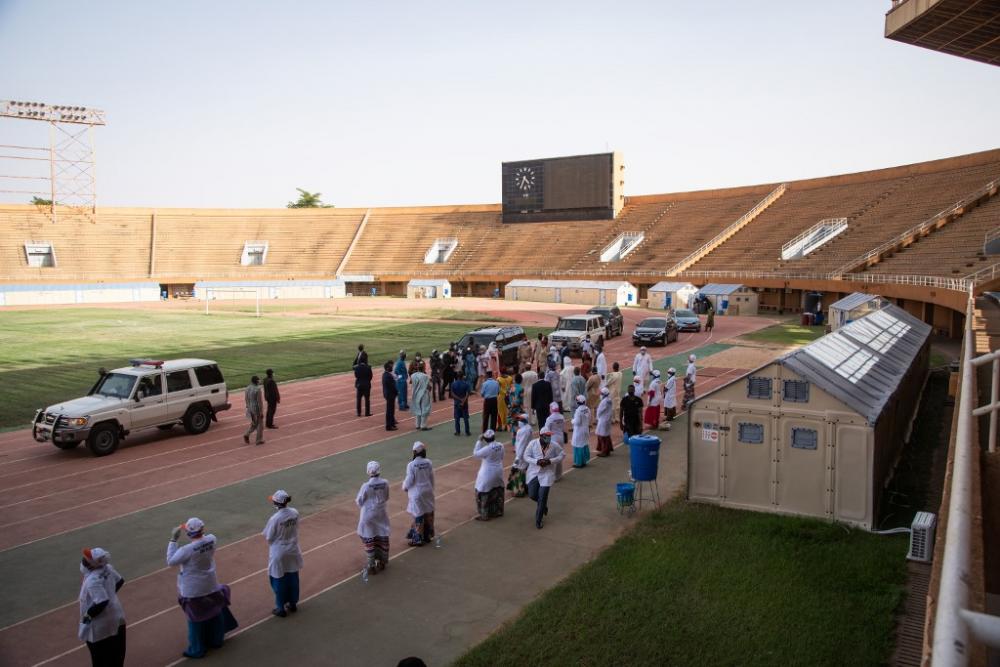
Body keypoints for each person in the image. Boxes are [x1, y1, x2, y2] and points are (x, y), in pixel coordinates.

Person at [167, 518, 238, 659]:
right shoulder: (212, 539)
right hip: (210, 583)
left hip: (193, 589)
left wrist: (173, 540)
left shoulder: (186, 550)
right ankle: (217, 640)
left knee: (195, 619)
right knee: (215, 610)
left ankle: (197, 648)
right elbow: (203, 541)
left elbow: (170, 561)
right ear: (202, 529)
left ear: (188, 533)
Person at [78, 547, 126, 667]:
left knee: (99, 659)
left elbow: (101, 602)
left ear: (93, 564)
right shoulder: (108, 568)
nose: (83, 562)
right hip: (116, 617)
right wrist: (111, 594)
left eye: (86, 560)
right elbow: (120, 581)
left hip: (99, 626)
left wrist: (87, 616)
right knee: (117, 655)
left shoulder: (93, 580)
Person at [262, 490, 303, 618]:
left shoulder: (275, 518)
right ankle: (292, 603)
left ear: (276, 503)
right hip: (293, 549)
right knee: (293, 576)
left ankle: (280, 607)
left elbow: (268, 536)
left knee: (278, 578)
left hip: (279, 550)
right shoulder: (295, 512)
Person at [524, 429, 565, 529]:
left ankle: (539, 520)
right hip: (534, 473)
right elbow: (526, 456)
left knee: (542, 497)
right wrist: (537, 461)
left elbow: (562, 454)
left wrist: (550, 461)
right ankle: (543, 506)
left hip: (547, 474)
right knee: (533, 494)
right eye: (547, 435)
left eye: (550, 435)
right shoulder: (533, 444)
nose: (549, 437)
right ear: (541, 436)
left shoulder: (554, 445)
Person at [356, 461, 391, 574]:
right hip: (381, 513)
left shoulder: (366, 486)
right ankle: (382, 561)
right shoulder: (385, 483)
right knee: (381, 535)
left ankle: (371, 565)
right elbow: (386, 497)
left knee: (368, 537)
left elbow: (359, 501)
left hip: (368, 515)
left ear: (368, 471)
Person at [402, 442, 435, 546]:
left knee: (418, 515)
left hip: (417, 493)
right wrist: (431, 489)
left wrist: (404, 487)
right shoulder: (428, 462)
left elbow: (410, 480)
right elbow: (431, 477)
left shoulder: (411, 465)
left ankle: (417, 539)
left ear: (414, 452)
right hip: (428, 491)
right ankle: (428, 535)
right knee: (428, 512)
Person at [473, 430, 506, 520]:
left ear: (485, 439)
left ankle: (484, 515)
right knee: (498, 490)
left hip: (487, 473)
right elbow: (502, 457)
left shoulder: (487, 449)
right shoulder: (501, 445)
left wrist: (479, 441)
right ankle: (498, 511)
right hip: (498, 471)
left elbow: (475, 454)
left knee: (482, 492)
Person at [507, 413, 531, 497]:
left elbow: (521, 446)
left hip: (521, 456)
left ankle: (519, 491)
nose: (519, 421)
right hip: (526, 454)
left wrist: (516, 461)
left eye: (520, 420)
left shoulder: (522, 431)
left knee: (519, 472)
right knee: (526, 471)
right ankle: (527, 488)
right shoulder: (528, 428)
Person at [543, 402, 566, 481]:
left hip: (553, 439)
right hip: (561, 438)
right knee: (559, 456)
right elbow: (563, 428)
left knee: (552, 458)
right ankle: (559, 475)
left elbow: (546, 430)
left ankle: (553, 476)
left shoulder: (550, 418)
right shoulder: (562, 417)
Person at [570, 395, 591, 468]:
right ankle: (584, 461)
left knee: (578, 446)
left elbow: (577, 422)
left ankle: (579, 463)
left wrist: (572, 421)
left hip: (579, 431)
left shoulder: (578, 410)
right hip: (585, 429)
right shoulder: (587, 408)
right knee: (584, 444)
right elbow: (589, 418)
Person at [243, 376, 265, 445]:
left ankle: (247, 434)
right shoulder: (258, 389)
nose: (259, 381)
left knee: (254, 423)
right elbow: (260, 402)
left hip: (250, 408)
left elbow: (246, 398)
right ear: (256, 381)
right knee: (260, 425)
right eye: (259, 380)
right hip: (256, 409)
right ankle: (258, 440)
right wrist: (261, 412)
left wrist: (248, 407)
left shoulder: (248, 388)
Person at [410, 362, 432, 431]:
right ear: (423, 368)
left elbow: (411, 382)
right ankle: (423, 425)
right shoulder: (425, 376)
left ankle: (417, 424)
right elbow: (429, 387)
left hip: (415, 394)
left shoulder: (413, 375)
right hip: (424, 394)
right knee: (424, 409)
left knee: (417, 408)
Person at [450, 371, 472, 436]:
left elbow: (452, 394)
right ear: (463, 376)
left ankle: (457, 431)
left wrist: (459, 399)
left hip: (457, 403)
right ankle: (467, 431)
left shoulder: (453, 384)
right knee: (465, 418)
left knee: (457, 418)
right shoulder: (466, 384)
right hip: (464, 403)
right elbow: (468, 393)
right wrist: (463, 400)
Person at [595, 387, 614, 456]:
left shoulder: (604, 401)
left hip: (603, 420)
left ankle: (604, 451)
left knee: (602, 436)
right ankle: (608, 449)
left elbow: (599, 411)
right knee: (606, 435)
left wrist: (597, 418)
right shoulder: (609, 400)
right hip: (607, 419)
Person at [382, 361, 398, 431]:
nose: (392, 367)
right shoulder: (388, 376)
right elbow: (392, 386)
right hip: (390, 395)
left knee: (391, 410)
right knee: (390, 411)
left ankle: (392, 424)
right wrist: (397, 392)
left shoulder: (385, 374)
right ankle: (389, 426)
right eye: (391, 367)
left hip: (389, 394)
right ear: (388, 368)